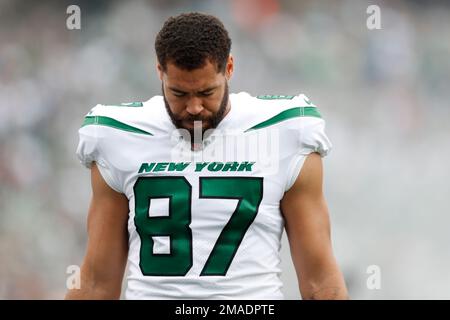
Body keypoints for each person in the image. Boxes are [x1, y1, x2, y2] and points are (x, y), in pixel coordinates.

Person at [65, 12, 348, 300]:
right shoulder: (119, 135)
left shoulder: (286, 131)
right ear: (159, 72)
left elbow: (319, 281)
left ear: (229, 68)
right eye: (179, 93)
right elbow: (97, 282)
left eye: (206, 92)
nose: (194, 107)